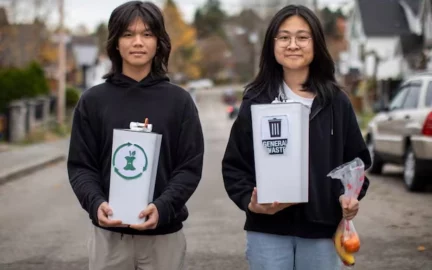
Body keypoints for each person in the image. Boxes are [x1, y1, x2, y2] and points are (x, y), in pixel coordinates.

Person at [221, 5, 371, 270]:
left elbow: (356, 163)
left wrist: (348, 196)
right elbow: (235, 166)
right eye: (284, 37)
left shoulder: (336, 102)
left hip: (322, 232)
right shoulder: (256, 100)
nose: (293, 45)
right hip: (267, 231)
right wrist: (250, 202)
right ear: (272, 45)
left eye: (302, 37)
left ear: (316, 45)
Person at [67, 1, 204, 270]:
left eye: (147, 34)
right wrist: (95, 203)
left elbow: (189, 167)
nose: (137, 42)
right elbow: (81, 167)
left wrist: (163, 207)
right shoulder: (93, 101)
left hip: (164, 238)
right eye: (128, 34)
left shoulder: (179, 101)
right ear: (115, 43)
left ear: (159, 42)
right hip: (109, 238)